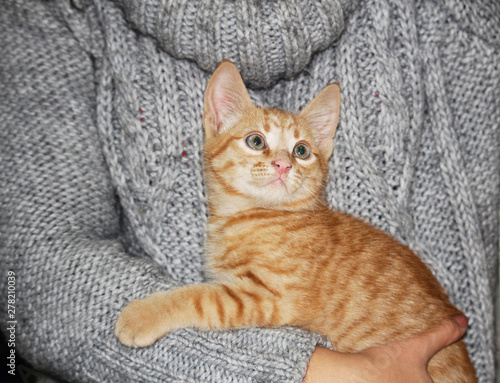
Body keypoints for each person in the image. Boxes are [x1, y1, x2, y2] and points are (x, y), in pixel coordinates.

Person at [0, 0, 498, 382]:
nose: (281, 162)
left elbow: (261, 305)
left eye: (303, 150)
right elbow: (29, 264)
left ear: (323, 152)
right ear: (218, 121)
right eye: (258, 143)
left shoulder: (304, 232)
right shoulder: (56, 16)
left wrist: (167, 309)